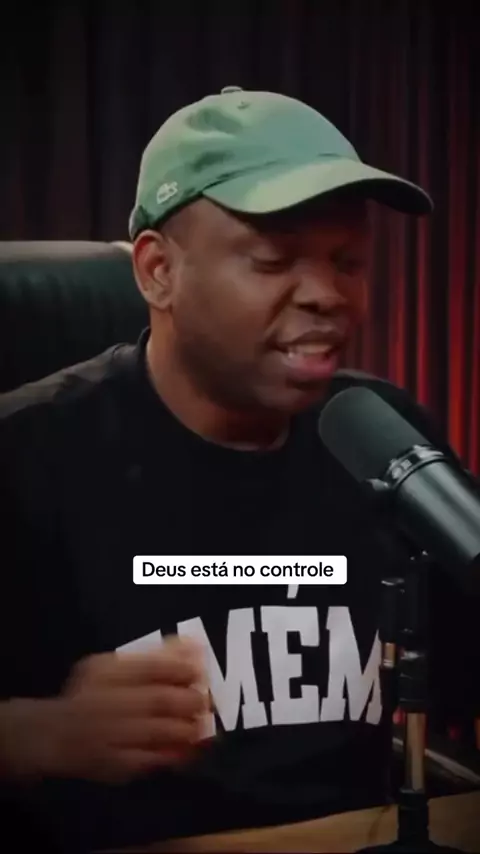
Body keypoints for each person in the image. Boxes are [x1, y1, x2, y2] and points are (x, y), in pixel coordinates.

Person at [0, 86, 478, 852]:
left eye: (349, 261)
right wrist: (34, 735)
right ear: (157, 271)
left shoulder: (381, 438)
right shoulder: (28, 454)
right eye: (273, 260)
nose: (327, 295)